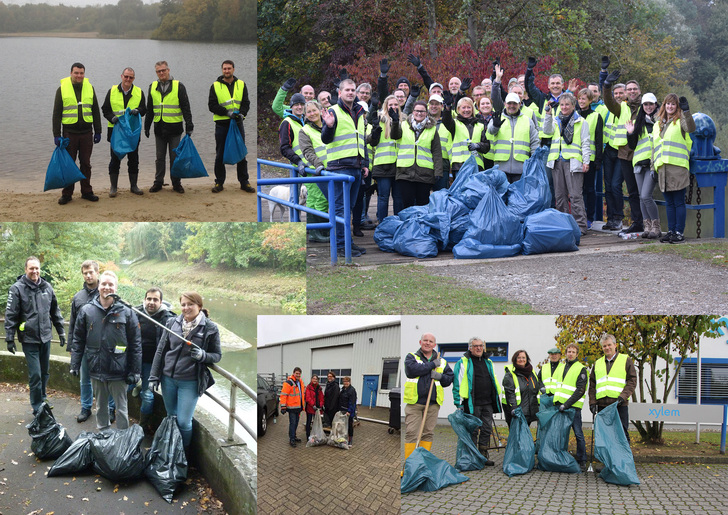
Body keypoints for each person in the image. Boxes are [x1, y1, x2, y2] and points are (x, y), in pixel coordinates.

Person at [148, 291, 221, 451]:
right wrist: (154, 376)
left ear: (199, 306)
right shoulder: (172, 323)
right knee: (171, 416)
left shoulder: (210, 328)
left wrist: (203, 355)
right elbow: (161, 350)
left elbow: (217, 355)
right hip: (168, 379)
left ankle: (184, 453)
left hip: (190, 382)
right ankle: (172, 451)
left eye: (190, 304)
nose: (186, 308)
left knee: (183, 421)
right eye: (183, 304)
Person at [70, 271, 141, 430]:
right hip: (96, 368)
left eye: (111, 284)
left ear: (116, 287)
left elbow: (135, 344)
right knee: (101, 407)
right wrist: (75, 364)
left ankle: (123, 439)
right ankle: (103, 436)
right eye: (104, 284)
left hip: (119, 370)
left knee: (122, 408)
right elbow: (78, 339)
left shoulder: (127, 312)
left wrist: (135, 371)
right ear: (99, 286)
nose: (107, 287)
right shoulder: (87, 310)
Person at [4, 257, 66, 414]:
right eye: (31, 268)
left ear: (40, 269)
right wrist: (10, 338)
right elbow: (11, 315)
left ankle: (43, 397)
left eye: (37, 268)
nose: (34, 271)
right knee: (36, 374)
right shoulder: (17, 289)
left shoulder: (47, 287)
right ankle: (37, 406)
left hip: (45, 336)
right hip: (29, 339)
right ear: (25, 269)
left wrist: (61, 331)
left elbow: (55, 311)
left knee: (45, 371)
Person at [321, 78, 368, 258]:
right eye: (347, 90)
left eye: (353, 90)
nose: (350, 92)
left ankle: (347, 242)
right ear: (339, 93)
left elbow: (360, 139)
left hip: (355, 167)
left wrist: (363, 164)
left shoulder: (359, 111)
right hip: (339, 167)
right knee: (340, 209)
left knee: (349, 208)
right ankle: (341, 245)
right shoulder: (332, 112)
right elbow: (325, 139)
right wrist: (329, 126)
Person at [68, 260, 114, 423]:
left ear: (97, 273)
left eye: (91, 272)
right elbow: (73, 323)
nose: (88, 275)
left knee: (107, 378)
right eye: (85, 273)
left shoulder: (106, 292)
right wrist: (71, 347)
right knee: (85, 379)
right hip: (85, 346)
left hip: (105, 346)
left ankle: (110, 408)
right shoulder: (78, 297)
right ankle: (86, 407)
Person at [52, 62, 102, 205]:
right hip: (69, 133)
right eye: (76, 73)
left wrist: (98, 131)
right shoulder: (61, 90)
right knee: (69, 164)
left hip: (87, 133)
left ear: (84, 74)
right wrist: (56, 134)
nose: (79, 75)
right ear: (71, 73)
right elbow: (56, 114)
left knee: (86, 164)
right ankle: (67, 194)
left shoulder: (90, 88)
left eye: (81, 73)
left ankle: (86, 192)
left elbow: (95, 111)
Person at [543, 92, 591, 235]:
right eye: (562, 104)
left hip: (573, 162)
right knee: (560, 195)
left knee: (576, 195)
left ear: (573, 105)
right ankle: (564, 224)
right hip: (557, 161)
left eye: (567, 105)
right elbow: (547, 131)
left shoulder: (581, 122)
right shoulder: (555, 120)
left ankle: (581, 226)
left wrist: (586, 161)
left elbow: (585, 143)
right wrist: (548, 115)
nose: (564, 107)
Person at [403, 333, 454, 468]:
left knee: (428, 434)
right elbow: (411, 371)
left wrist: (440, 376)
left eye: (430, 341)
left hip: (432, 404)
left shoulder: (442, 361)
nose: (427, 343)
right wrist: (432, 365)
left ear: (434, 345)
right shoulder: (412, 357)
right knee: (412, 433)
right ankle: (411, 466)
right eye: (425, 340)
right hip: (415, 403)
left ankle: (423, 464)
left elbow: (449, 379)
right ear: (420, 342)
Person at [602, 67, 644, 233]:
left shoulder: (646, 106)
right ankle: (635, 222)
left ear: (639, 91)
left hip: (641, 154)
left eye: (634, 89)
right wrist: (606, 84)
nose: (632, 91)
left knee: (643, 192)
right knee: (632, 191)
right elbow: (609, 102)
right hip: (625, 154)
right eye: (629, 89)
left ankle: (647, 222)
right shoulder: (623, 108)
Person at [452, 337, 502, 466]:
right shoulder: (463, 362)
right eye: (475, 346)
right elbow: (457, 383)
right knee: (473, 430)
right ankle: (473, 458)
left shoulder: (488, 362)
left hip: (488, 403)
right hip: (472, 403)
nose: (479, 348)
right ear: (470, 347)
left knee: (486, 429)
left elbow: (493, 379)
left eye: (481, 346)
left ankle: (483, 456)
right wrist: (458, 403)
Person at [145, 60, 193, 193]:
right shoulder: (152, 86)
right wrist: (147, 126)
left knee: (174, 158)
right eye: (158, 71)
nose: (161, 73)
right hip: (159, 129)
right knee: (159, 158)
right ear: (156, 72)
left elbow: (186, 108)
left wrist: (189, 124)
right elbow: (150, 108)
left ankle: (176, 183)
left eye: (163, 70)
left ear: (168, 70)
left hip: (175, 129)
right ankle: (158, 182)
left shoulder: (179, 86)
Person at [653, 94, 696, 244]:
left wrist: (687, 111)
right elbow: (655, 147)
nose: (670, 107)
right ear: (664, 106)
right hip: (662, 167)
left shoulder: (681, 121)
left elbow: (691, 128)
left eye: (673, 104)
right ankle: (671, 231)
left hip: (677, 167)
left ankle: (679, 232)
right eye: (667, 104)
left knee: (678, 201)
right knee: (669, 203)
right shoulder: (658, 123)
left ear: (677, 106)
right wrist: (653, 167)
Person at [209, 60, 253, 193]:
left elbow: (246, 103)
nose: (227, 71)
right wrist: (227, 113)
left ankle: (244, 182)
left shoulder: (241, 84)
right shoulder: (215, 86)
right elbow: (212, 106)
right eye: (224, 69)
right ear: (222, 70)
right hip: (222, 124)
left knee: (241, 153)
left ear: (233, 69)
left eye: (229, 68)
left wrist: (242, 114)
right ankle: (219, 182)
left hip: (238, 124)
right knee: (220, 154)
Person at [101, 67, 146, 197]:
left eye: (130, 77)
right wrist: (111, 118)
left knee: (133, 159)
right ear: (121, 76)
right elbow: (105, 109)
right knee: (115, 160)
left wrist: (138, 110)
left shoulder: (139, 92)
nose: (128, 79)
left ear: (134, 78)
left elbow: (144, 109)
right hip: (116, 132)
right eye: (126, 76)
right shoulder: (112, 91)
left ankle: (134, 186)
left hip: (132, 133)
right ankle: (113, 187)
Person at [133, 287, 174, 431]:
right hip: (135, 360)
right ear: (144, 300)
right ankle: (137, 386)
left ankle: (142, 426)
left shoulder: (168, 318)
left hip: (153, 365)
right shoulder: (136, 313)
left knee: (148, 396)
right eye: (149, 299)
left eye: (155, 299)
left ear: (161, 302)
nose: (151, 302)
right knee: (122, 386)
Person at [588, 333, 637, 441]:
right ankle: (607, 458)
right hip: (602, 405)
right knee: (605, 435)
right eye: (604, 346)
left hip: (619, 405)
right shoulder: (597, 363)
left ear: (615, 345)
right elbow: (592, 385)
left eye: (609, 345)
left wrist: (623, 396)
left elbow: (632, 381)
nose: (607, 348)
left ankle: (623, 458)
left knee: (621, 435)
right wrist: (592, 403)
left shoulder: (626, 360)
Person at [626, 92, 661, 239]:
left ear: (655, 105)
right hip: (639, 163)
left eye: (651, 104)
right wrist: (630, 133)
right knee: (642, 197)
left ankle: (656, 227)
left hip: (652, 164)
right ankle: (647, 227)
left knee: (646, 196)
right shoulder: (638, 121)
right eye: (645, 104)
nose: (648, 107)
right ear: (642, 106)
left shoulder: (660, 121)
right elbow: (633, 146)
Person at [395, 100, 443, 209]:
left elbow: (436, 152)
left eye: (422, 111)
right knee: (407, 204)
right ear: (412, 112)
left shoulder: (432, 129)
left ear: (426, 113)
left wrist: (438, 171)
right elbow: (394, 135)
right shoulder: (403, 125)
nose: (419, 113)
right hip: (405, 172)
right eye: (417, 111)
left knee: (423, 205)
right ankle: (408, 225)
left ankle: (420, 226)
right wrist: (394, 122)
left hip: (424, 173)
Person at [487, 92, 540, 184]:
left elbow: (534, 142)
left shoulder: (528, 120)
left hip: (521, 168)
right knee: (502, 196)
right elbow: (490, 131)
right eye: (509, 103)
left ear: (520, 104)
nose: (512, 106)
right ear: (505, 104)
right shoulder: (497, 118)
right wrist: (495, 126)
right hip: (501, 168)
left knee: (518, 196)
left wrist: (534, 161)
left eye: (515, 103)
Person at [298, 100, 331, 243]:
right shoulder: (305, 130)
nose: (312, 114)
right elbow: (307, 151)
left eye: (314, 110)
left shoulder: (328, 125)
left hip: (331, 169)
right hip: (316, 170)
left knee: (320, 200)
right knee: (320, 200)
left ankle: (319, 230)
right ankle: (318, 231)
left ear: (320, 110)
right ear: (305, 114)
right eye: (309, 112)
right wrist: (318, 164)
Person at [553, 343, 588, 470]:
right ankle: (559, 457)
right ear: (566, 353)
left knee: (578, 433)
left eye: (573, 352)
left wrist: (566, 405)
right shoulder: (561, 368)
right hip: (560, 407)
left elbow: (580, 390)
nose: (571, 354)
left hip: (573, 408)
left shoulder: (581, 369)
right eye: (568, 351)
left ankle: (582, 459)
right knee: (560, 434)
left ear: (577, 354)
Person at [368, 95, 403, 221]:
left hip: (398, 164)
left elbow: (397, 137)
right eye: (390, 105)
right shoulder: (379, 118)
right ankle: (382, 223)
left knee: (398, 197)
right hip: (382, 164)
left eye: (395, 104)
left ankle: (398, 225)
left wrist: (396, 122)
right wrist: (374, 132)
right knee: (383, 197)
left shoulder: (403, 120)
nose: (393, 107)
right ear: (385, 106)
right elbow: (372, 141)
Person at [442, 96, 489, 182]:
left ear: (472, 109)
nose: (466, 110)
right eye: (463, 107)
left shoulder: (480, 126)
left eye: (469, 107)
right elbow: (446, 120)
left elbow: (487, 146)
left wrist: (478, 145)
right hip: (460, 166)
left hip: (477, 166)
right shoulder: (454, 124)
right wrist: (448, 107)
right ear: (458, 109)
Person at [576, 87, 604, 229]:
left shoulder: (595, 116)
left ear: (590, 100)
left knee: (589, 189)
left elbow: (599, 140)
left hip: (591, 159)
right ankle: (579, 216)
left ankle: (590, 217)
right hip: (575, 157)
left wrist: (598, 160)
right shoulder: (574, 114)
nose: (581, 101)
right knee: (577, 189)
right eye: (579, 98)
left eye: (584, 99)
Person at [501, 349, 544, 428]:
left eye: (523, 357)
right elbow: (510, 394)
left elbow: (536, 388)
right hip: (516, 411)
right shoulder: (510, 374)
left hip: (529, 411)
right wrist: (514, 409)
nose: (521, 360)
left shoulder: (532, 372)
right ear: (515, 359)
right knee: (516, 436)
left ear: (527, 359)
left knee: (524, 434)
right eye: (519, 358)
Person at [279, 367, 305, 447]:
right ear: (293, 373)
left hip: (298, 407)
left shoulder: (300, 382)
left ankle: (294, 436)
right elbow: (283, 395)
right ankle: (292, 439)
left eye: (299, 374)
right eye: (296, 373)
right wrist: (283, 407)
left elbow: (301, 394)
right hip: (292, 408)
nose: (298, 375)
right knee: (293, 423)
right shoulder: (288, 383)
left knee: (296, 423)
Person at [304, 374, 325, 440]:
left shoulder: (319, 388)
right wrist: (313, 405)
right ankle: (308, 436)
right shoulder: (308, 387)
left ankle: (316, 435)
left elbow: (322, 397)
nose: (315, 380)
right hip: (310, 408)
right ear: (311, 379)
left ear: (317, 380)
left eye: (316, 379)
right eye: (313, 378)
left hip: (317, 409)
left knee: (317, 423)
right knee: (309, 422)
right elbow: (308, 398)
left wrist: (321, 405)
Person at [339, 376, 358, 446]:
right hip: (342, 410)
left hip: (348, 412)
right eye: (344, 381)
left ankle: (350, 440)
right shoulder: (343, 389)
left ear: (349, 382)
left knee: (350, 426)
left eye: (347, 381)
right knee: (343, 426)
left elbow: (352, 402)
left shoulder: (352, 390)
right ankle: (343, 439)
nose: (345, 383)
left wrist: (349, 411)